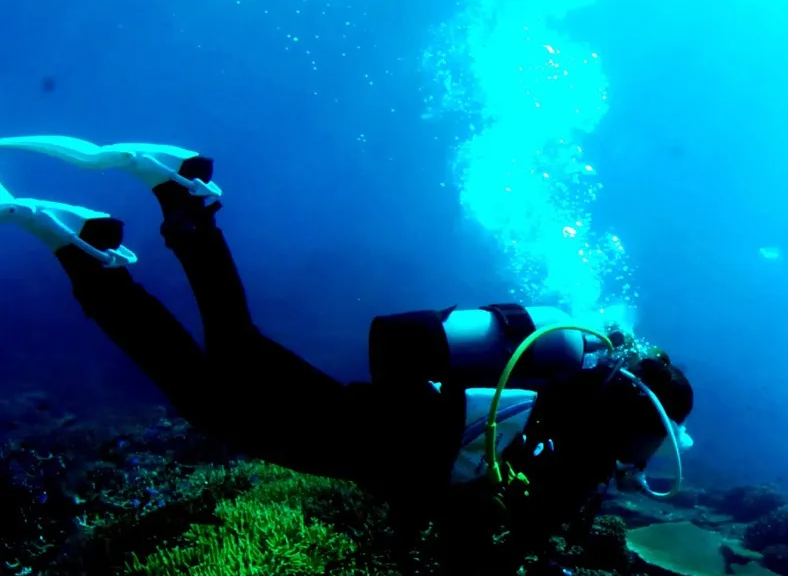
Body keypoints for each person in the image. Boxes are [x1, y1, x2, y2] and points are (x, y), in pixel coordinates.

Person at [0, 137, 693, 551]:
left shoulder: (570, 447)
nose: (643, 462)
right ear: (638, 417)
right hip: (344, 426)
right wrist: (414, 429)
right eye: (653, 442)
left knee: (217, 374)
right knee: (220, 370)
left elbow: (480, 507)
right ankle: (166, 204)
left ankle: (108, 236)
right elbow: (396, 337)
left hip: (346, 434)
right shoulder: (555, 420)